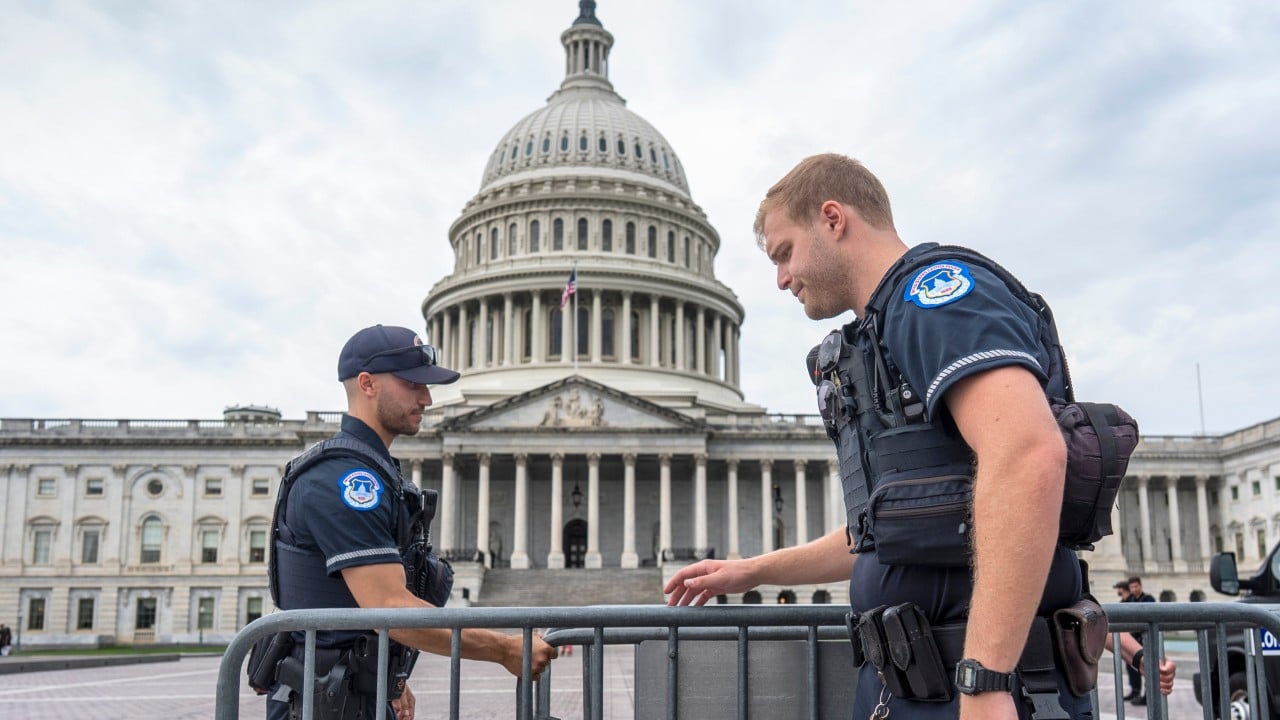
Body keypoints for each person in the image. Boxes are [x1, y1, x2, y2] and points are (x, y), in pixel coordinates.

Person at [666, 154, 1098, 719]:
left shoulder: (935, 298)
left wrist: (986, 678)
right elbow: (892, 532)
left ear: (832, 219)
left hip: (979, 683)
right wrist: (750, 571)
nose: (780, 280)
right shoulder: (883, 334)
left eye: (784, 252)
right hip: (917, 681)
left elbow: (1028, 453)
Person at [265, 324, 557, 720]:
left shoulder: (375, 471)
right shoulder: (349, 480)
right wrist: (504, 648)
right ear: (367, 384)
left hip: (349, 692)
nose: (428, 398)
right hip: (325, 703)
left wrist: (387, 675)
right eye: (412, 384)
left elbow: (352, 610)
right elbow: (388, 606)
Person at [1126, 576, 1156, 706]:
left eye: (1136, 586)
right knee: (1132, 666)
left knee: (1147, 667)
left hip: (1146, 639)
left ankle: (1148, 696)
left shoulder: (1148, 599)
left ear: (1140, 586)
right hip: (1134, 639)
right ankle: (1135, 691)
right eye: (1132, 587)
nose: (1134, 589)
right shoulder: (1130, 600)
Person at [1114, 581, 1144, 701]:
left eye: (1119, 589)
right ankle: (1135, 691)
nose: (1118, 591)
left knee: (1140, 666)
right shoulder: (1123, 602)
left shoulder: (1134, 600)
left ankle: (1144, 694)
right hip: (1128, 639)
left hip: (1138, 639)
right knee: (1131, 668)